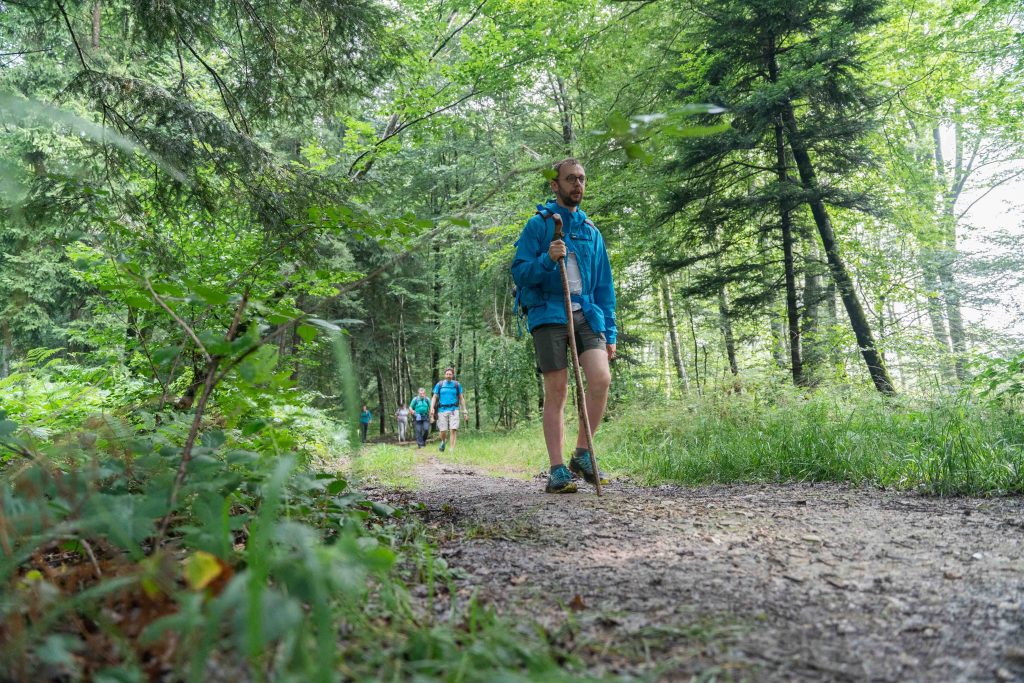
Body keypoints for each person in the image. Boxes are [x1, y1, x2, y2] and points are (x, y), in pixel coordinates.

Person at [511, 158, 617, 493]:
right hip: (549, 314)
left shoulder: (591, 232)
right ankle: (557, 470)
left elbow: (604, 287)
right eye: (571, 179)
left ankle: (581, 455)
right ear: (555, 185)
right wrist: (547, 259)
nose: (578, 185)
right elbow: (520, 272)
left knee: (600, 378)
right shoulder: (538, 226)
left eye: (582, 179)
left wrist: (610, 333)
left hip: (586, 313)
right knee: (556, 390)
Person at [429, 367, 469, 454]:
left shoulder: (457, 385)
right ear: (444, 375)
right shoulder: (440, 385)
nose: (448, 375)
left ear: (453, 375)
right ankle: (443, 441)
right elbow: (434, 397)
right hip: (442, 410)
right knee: (443, 430)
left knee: (453, 429)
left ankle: (451, 449)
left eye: (450, 374)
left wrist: (464, 410)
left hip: (454, 410)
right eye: (447, 374)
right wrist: (431, 408)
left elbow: (461, 398)